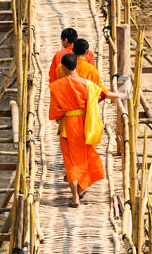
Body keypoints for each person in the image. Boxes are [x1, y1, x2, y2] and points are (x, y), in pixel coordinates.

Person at [48, 52, 125, 207]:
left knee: (70, 162)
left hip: (68, 127)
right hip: (85, 125)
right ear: (76, 65)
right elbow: (103, 94)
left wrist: (60, 116)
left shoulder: (57, 86)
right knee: (85, 156)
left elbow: (54, 112)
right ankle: (82, 187)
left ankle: (75, 197)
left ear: (63, 67)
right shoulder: (87, 84)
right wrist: (121, 95)